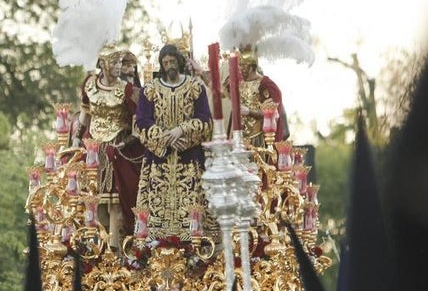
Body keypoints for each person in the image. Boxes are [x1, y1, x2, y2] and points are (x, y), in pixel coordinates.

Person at [134, 43, 215, 242]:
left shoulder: (196, 87)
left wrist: (182, 131)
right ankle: (155, 245)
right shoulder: (150, 90)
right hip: (159, 158)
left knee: (192, 203)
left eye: (172, 61)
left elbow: (206, 120)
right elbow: (141, 122)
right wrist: (166, 138)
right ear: (161, 65)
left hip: (188, 158)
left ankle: (193, 244)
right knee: (156, 204)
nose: (169, 65)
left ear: (179, 61)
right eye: (165, 62)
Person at [71, 47, 143, 247]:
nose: (118, 66)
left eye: (120, 62)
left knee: (116, 200)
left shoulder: (127, 90)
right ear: (102, 64)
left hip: (117, 147)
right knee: (92, 198)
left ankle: (115, 247)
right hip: (92, 145)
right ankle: (95, 246)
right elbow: (85, 112)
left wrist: (126, 142)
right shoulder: (89, 85)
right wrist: (77, 137)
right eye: (114, 62)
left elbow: (137, 126)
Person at [222, 45, 290, 149]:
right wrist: (200, 73)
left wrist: (249, 112)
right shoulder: (239, 84)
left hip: (257, 140)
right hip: (239, 140)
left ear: (250, 67)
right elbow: (220, 91)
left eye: (242, 66)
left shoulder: (265, 85)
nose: (239, 69)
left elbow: (273, 114)